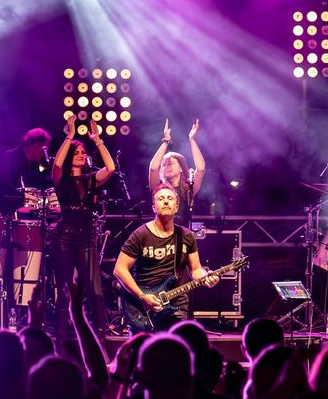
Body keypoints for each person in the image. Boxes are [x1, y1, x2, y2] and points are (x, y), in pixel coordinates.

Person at [113, 185, 218, 331]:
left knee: (175, 344)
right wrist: (143, 296)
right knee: (144, 346)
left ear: (176, 207)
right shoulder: (140, 235)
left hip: (176, 305)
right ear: (154, 207)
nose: (166, 201)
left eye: (170, 198)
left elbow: (196, 270)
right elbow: (119, 269)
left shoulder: (186, 236)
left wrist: (206, 278)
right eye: (161, 199)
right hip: (143, 306)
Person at [51, 116, 115, 334]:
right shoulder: (61, 179)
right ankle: (60, 338)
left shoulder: (91, 179)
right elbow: (57, 164)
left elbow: (111, 167)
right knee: (64, 291)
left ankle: (100, 337)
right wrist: (70, 136)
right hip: (64, 238)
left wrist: (97, 140)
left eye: (83, 152)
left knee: (96, 292)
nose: (81, 155)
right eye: (77, 152)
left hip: (87, 240)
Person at [147, 118, 206, 227]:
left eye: (170, 163)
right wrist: (166, 141)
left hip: (182, 234)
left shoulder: (189, 189)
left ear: (181, 168)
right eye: (164, 165)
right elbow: (153, 169)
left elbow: (201, 169)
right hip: (160, 234)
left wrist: (192, 139)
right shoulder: (158, 187)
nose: (166, 167)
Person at [0, 128, 53, 212]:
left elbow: (37, 187)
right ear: (35, 146)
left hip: (23, 212)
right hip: (5, 211)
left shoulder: (33, 165)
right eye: (44, 149)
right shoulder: (10, 158)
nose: (45, 153)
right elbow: (4, 187)